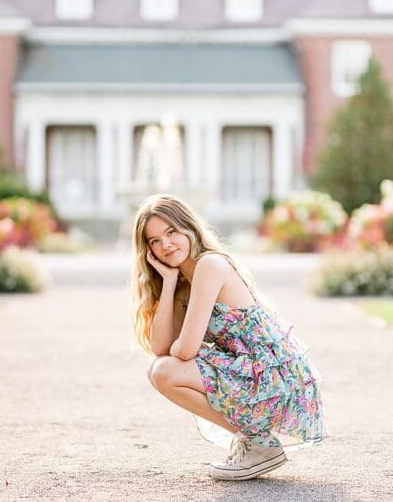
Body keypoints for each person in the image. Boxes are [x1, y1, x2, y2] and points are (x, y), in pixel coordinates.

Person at [130, 194, 324, 481]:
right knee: (160, 369)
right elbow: (160, 347)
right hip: (251, 373)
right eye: (154, 241)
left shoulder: (210, 265)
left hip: (271, 378)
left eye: (171, 232)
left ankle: (259, 444)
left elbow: (184, 351)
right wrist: (169, 283)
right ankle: (257, 442)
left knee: (165, 371)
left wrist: (181, 345)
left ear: (189, 228)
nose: (166, 245)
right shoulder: (184, 281)